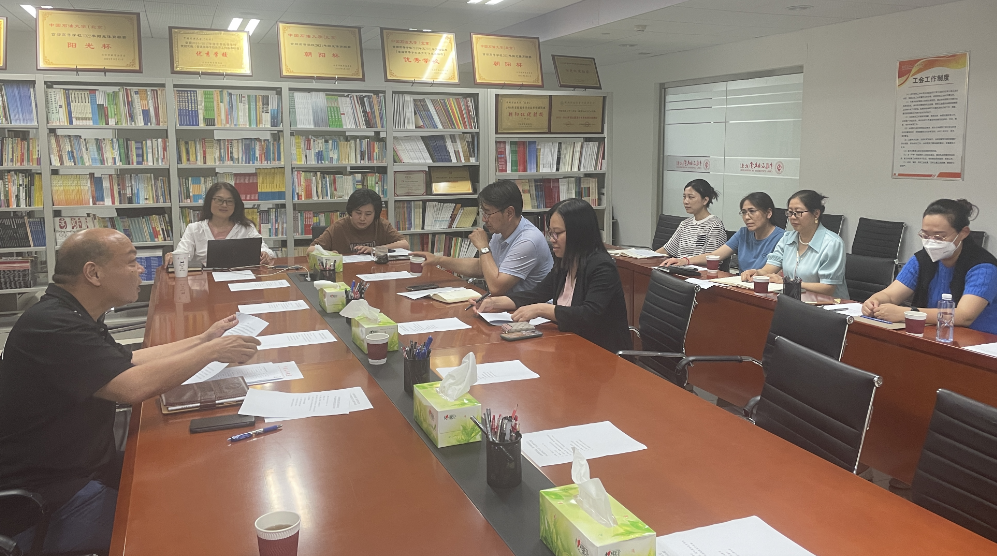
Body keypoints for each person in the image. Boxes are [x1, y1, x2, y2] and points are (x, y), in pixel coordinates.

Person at [0, 228, 261, 554]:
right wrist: (212, 352)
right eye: (131, 262)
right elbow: (131, 386)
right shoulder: (55, 326)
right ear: (93, 273)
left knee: (196, 472)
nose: (141, 269)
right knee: (190, 516)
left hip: (82, 468)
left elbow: (129, 359)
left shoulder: (71, 313)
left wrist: (203, 339)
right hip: (46, 502)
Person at [474, 198, 631, 353]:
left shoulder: (602, 267)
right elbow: (535, 294)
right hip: (570, 346)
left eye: (557, 233)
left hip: (602, 353)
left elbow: (589, 315)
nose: (552, 239)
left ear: (579, 233)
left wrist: (541, 309)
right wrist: (493, 302)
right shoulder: (565, 262)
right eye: (550, 233)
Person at [862, 199, 997, 334]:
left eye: (939, 237)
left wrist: (907, 313)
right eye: (925, 235)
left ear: (963, 233)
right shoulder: (922, 259)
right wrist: (875, 301)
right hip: (933, 332)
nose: (931, 242)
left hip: (978, 338)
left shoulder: (983, 267)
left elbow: (964, 316)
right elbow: (890, 295)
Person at [412, 180, 554, 295]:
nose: (484, 219)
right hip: (510, 306)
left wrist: (484, 247)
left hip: (533, 313)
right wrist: (438, 260)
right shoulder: (501, 231)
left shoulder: (528, 241)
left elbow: (496, 288)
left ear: (509, 213)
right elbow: (482, 267)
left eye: (488, 213)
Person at [741, 190, 848, 299]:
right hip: (794, 302)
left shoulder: (832, 243)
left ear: (816, 213)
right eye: (790, 213)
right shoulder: (787, 238)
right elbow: (770, 267)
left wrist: (788, 283)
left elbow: (828, 288)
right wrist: (758, 273)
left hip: (827, 305)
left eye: (798, 212)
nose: (792, 217)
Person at [661, 192, 784, 270]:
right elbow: (715, 255)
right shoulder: (743, 233)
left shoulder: (782, 238)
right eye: (744, 212)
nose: (747, 217)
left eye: (752, 211)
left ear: (768, 213)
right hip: (742, 286)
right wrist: (684, 261)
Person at [165, 181, 275, 267]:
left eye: (230, 201)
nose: (224, 205)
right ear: (209, 202)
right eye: (219, 200)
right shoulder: (194, 229)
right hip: (205, 282)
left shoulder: (246, 228)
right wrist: (173, 256)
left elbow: (266, 250)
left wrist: (264, 254)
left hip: (239, 280)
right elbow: (182, 253)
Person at [308, 188, 408, 255]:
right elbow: (310, 250)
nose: (362, 218)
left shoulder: (381, 224)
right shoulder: (339, 227)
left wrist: (375, 249)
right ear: (351, 211)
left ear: (375, 214)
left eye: (368, 214)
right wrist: (329, 253)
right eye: (358, 213)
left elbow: (405, 245)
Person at [655, 179, 727, 258]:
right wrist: (647, 257)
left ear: (705, 200)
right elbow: (667, 249)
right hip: (680, 264)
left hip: (695, 266)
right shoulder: (685, 224)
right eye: (684, 197)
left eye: (691, 197)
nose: (686, 201)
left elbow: (711, 258)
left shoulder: (715, 226)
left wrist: (684, 261)